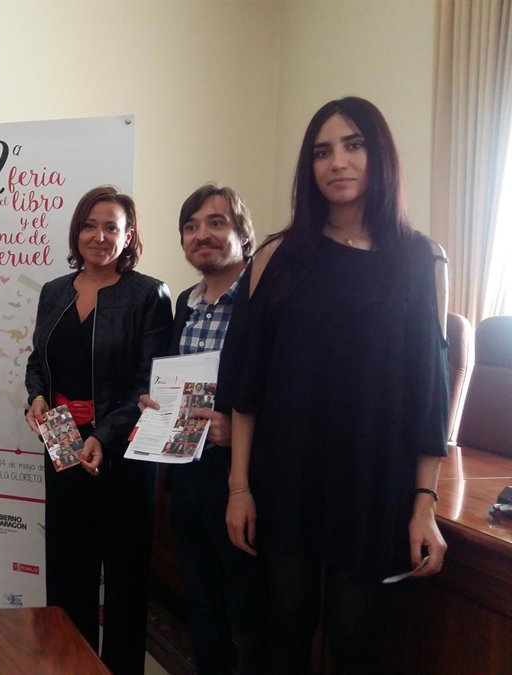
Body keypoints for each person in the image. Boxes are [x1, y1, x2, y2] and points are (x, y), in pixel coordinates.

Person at [224, 96, 449, 673]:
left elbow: (429, 392)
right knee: (286, 623)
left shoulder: (420, 259)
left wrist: (424, 503)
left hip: (373, 478)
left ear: (380, 156)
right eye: (322, 152)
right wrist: (239, 488)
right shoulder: (276, 256)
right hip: (288, 473)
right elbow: (247, 386)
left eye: (354, 145)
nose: (338, 162)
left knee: (355, 635)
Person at [24, 185, 172, 674]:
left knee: (125, 576)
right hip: (62, 441)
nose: (99, 236)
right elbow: (38, 363)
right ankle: (71, 664)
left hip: (123, 450)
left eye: (112, 227)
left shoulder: (149, 294)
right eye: (90, 225)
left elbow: (149, 381)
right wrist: (36, 398)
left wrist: (103, 435)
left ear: (128, 236)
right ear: (77, 232)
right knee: (68, 569)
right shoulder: (52, 292)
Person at [141, 184, 266, 674]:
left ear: (242, 233)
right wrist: (157, 403)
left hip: (246, 479)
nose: (202, 235)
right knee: (202, 602)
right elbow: (176, 379)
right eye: (190, 227)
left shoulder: (263, 299)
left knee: (250, 612)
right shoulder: (186, 303)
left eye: (216, 223)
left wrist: (241, 432)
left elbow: (290, 390)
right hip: (189, 474)